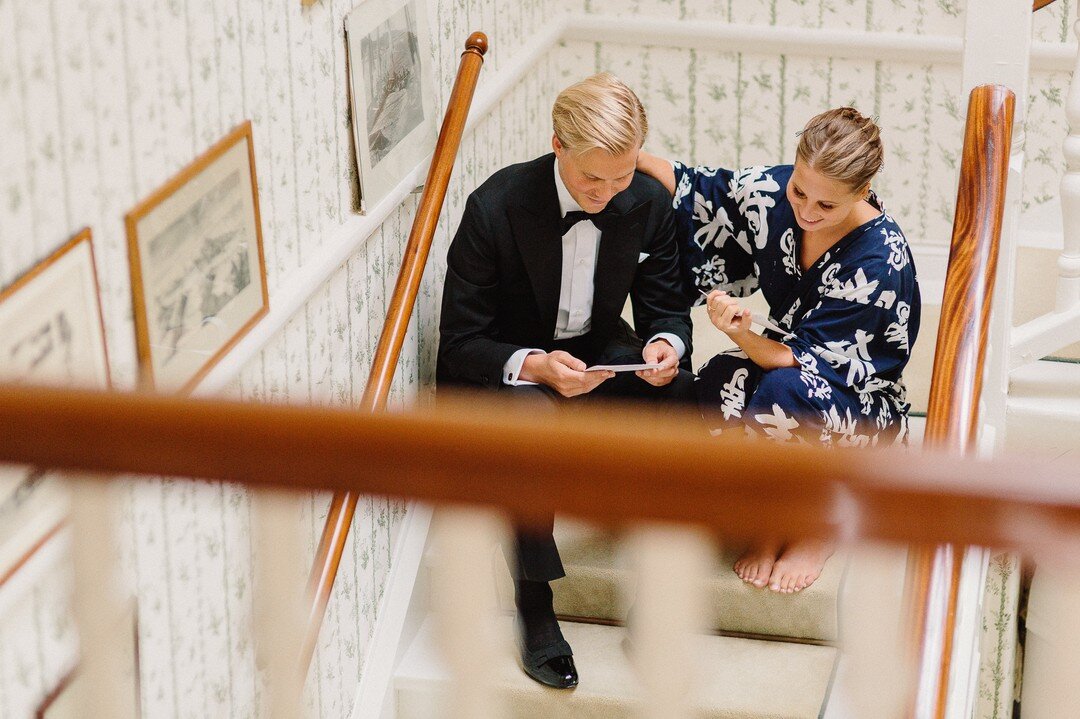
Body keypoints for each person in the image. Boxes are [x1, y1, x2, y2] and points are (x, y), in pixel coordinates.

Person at [437, 73, 696, 689]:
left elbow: (666, 306)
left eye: (621, 177)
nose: (606, 194)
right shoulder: (494, 207)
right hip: (507, 362)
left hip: (594, 350)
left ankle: (657, 597)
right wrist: (534, 366)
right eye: (591, 179)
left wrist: (665, 343)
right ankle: (535, 604)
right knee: (532, 430)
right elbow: (459, 344)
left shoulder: (648, 203)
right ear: (558, 144)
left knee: (687, 397)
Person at [636, 107, 921, 594]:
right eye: (799, 191)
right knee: (715, 381)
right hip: (789, 368)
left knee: (785, 393)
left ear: (863, 190)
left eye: (827, 206)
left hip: (858, 405)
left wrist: (742, 333)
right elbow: (696, 188)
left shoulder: (879, 260)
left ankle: (816, 524)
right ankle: (768, 516)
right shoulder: (772, 193)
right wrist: (623, 152)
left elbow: (802, 363)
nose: (807, 212)